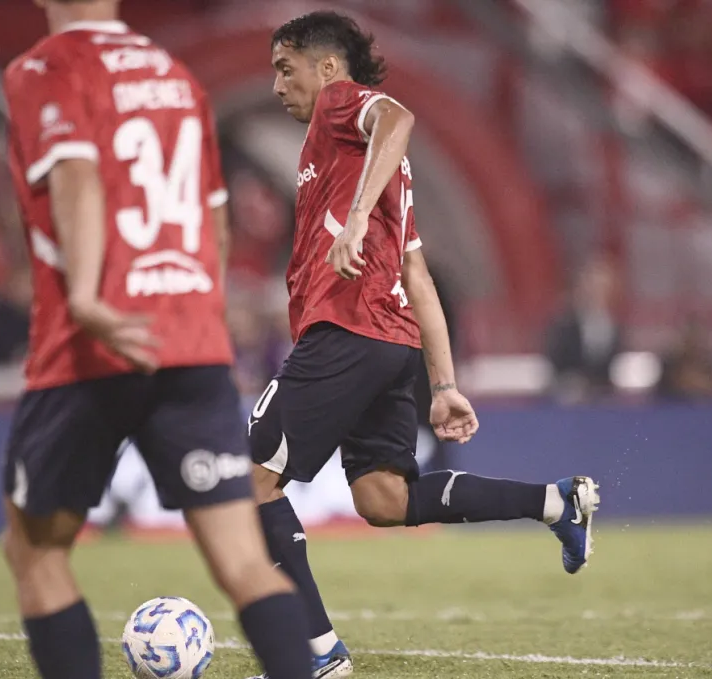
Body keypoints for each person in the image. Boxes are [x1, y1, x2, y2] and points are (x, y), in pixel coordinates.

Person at [247, 11, 601, 679]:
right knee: (384, 498)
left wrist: (354, 221)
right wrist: (443, 384)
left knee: (251, 479)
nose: (276, 85)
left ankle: (317, 653)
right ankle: (556, 502)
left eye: (285, 69)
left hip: (346, 332)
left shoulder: (339, 107)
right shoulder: (382, 172)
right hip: (391, 342)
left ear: (328, 69)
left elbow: (398, 115)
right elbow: (417, 276)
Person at [0, 2, 313, 678]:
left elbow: (76, 173)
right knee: (243, 562)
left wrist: (88, 295)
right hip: (191, 344)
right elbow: (214, 218)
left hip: (90, 346)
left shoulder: (45, 67)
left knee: (35, 551)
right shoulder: (176, 76)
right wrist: (202, 314)